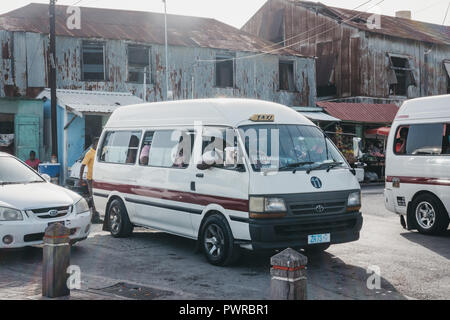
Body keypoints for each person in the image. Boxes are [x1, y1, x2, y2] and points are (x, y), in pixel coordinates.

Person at [80, 138, 101, 224]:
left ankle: (96, 215)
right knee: (93, 197)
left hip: (99, 178)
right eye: (97, 143)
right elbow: (83, 165)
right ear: (93, 144)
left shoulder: (100, 151)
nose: (98, 145)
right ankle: (94, 216)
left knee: (97, 197)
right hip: (91, 179)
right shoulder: (89, 153)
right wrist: (81, 178)